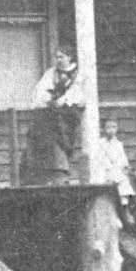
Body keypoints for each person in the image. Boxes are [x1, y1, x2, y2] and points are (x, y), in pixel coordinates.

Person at [24, 48, 84, 184]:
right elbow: (41, 90)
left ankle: (60, 168)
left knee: (58, 132)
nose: (58, 60)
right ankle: (42, 167)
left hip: (67, 112)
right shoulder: (51, 73)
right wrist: (48, 99)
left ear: (69, 57)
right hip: (51, 110)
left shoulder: (77, 74)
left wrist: (62, 101)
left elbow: (75, 92)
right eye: (57, 57)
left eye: (61, 57)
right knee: (39, 127)